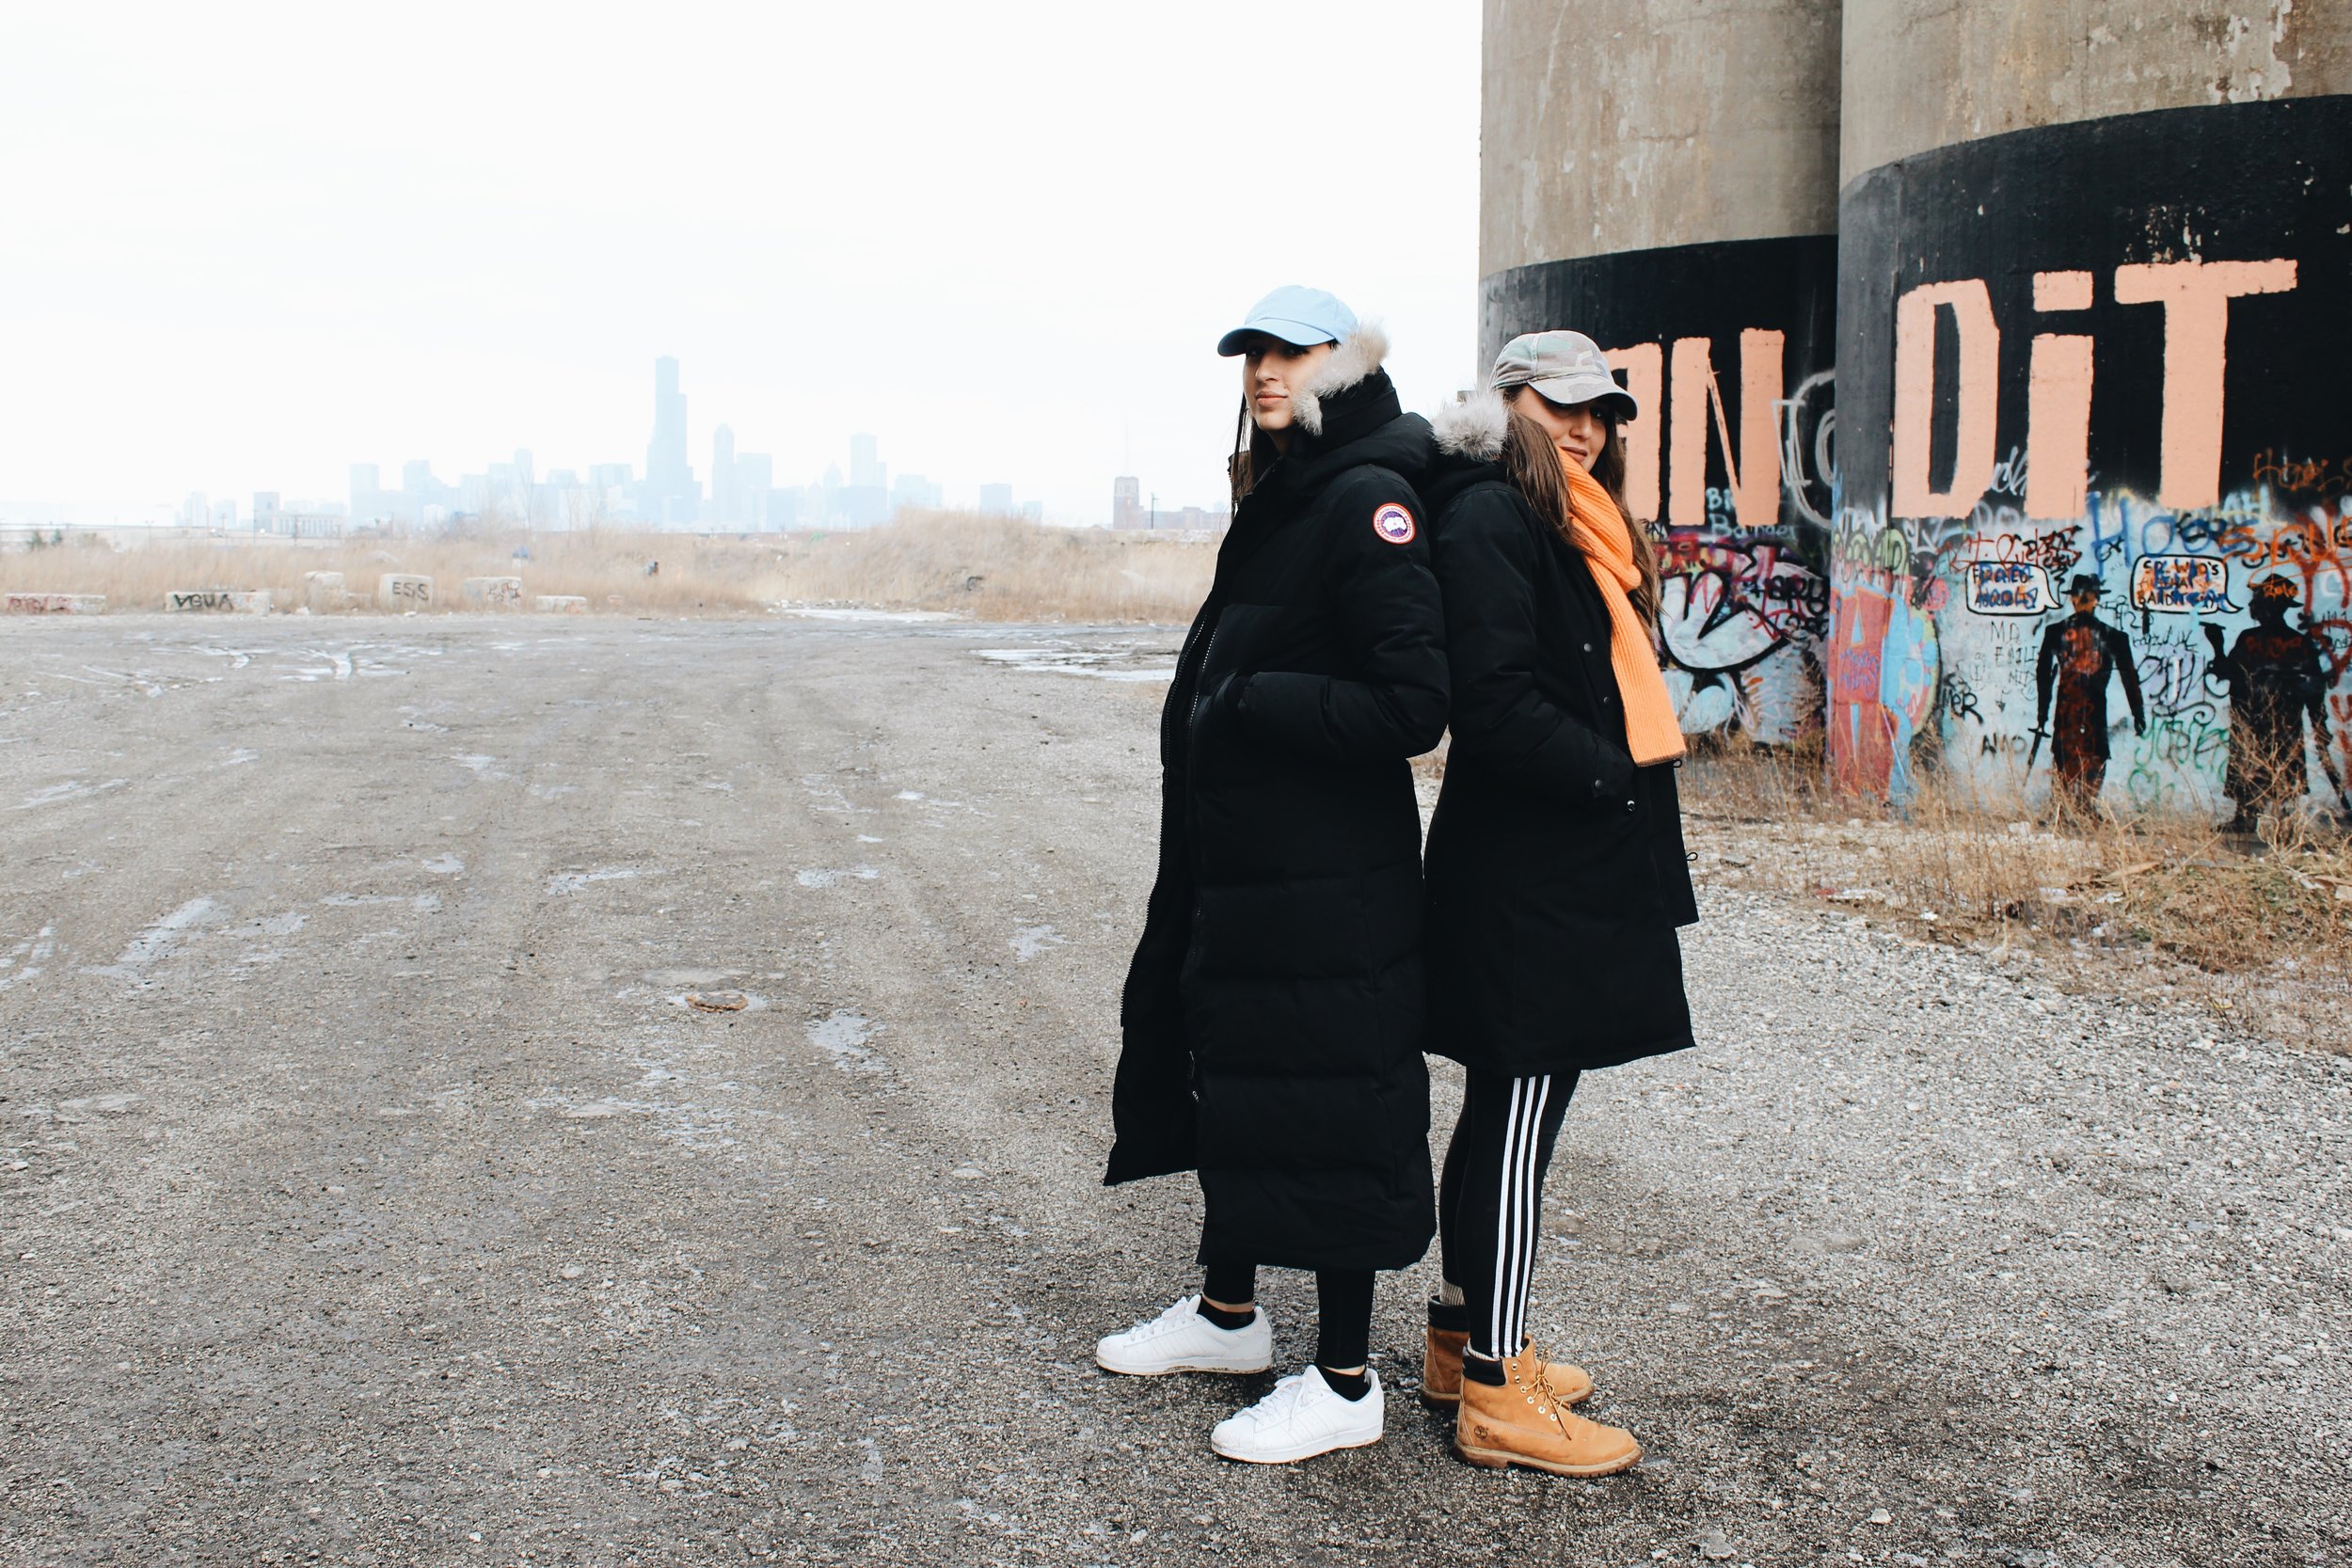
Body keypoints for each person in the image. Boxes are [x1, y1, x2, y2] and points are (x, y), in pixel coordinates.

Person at [1097, 286, 1448, 1465]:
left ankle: (1345, 1381)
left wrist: (1251, 702)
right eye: (1250, 352)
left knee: (1333, 1099)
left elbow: (1413, 706)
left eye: (1288, 352)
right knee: (1237, 1073)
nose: (1261, 369)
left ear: (1344, 366)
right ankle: (1228, 1314)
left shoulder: (1368, 499)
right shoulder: (1286, 491)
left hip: (1327, 881)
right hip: (1248, 867)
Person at [1415, 330, 1698, 1477]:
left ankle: (1456, 1341)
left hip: (1554, 871)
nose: (1583, 427)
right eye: (1557, 404)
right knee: (1520, 1120)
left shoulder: (1565, 520)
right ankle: (1495, 1387)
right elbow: (1487, 702)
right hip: (1532, 878)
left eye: (1601, 411)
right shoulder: (1493, 516)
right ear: (1508, 403)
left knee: (1504, 1115)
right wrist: (1607, 774)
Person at [2204, 575, 2341, 832]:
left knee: (2251, 765)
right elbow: (2314, 690)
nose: (2251, 606)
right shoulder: (2300, 643)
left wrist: (2217, 646)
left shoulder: (2250, 639)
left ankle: (2247, 820)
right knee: (2282, 769)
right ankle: (2281, 824)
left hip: (2253, 720)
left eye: (2256, 601)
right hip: (2284, 724)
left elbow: (2228, 672)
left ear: (2269, 605)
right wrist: (2318, 724)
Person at [2032, 574, 2146, 814]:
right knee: (2086, 753)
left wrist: (2042, 712)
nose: (2082, 601)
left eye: (2085, 597)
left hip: (2072, 705)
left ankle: (2072, 806)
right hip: (2086, 705)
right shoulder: (2111, 636)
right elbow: (2130, 677)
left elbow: (2043, 676)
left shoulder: (2057, 632)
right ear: (2095, 599)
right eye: (2082, 596)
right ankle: (2077, 806)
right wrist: (2138, 712)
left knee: (2076, 752)